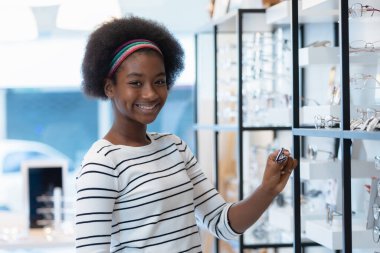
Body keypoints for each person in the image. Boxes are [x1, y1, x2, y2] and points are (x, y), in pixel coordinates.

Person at [75, 16, 298, 253]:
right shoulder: (102, 163)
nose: (150, 94)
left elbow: (223, 224)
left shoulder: (175, 148)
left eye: (159, 81)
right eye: (136, 83)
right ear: (109, 87)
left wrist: (268, 189)